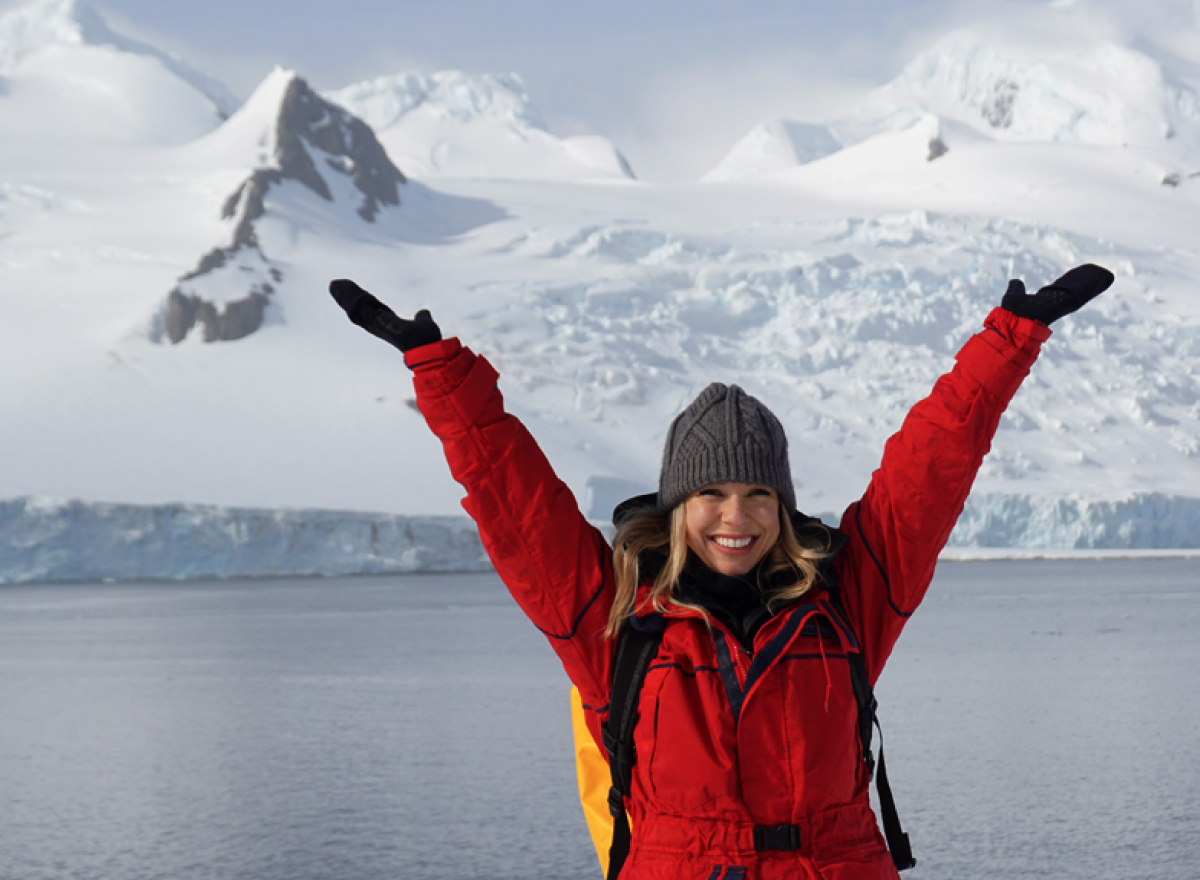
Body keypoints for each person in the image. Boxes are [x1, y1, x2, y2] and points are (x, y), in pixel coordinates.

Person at [329, 264, 1113, 880]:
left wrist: (1007, 343)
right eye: (710, 493)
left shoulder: (845, 602)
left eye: (756, 494)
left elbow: (928, 474)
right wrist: (443, 376)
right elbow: (515, 506)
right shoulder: (616, 620)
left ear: (782, 504)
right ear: (676, 506)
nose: (735, 517)